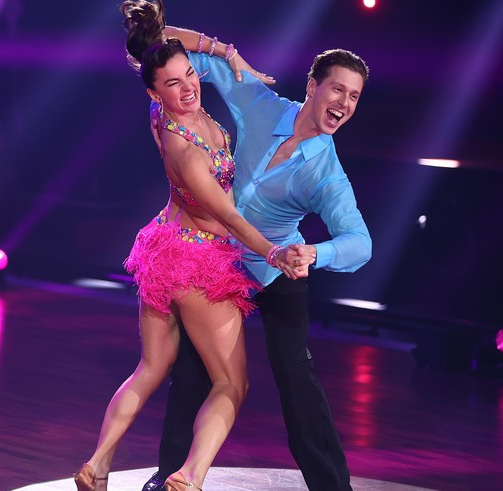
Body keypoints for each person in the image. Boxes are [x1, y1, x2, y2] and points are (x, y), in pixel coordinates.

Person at [73, 2, 314, 490]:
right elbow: (225, 217)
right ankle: (190, 475)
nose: (188, 88)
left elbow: (159, 41)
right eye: (173, 84)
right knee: (232, 383)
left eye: (189, 76)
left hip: (164, 245)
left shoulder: (166, 109)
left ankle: (97, 465)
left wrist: (226, 53)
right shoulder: (184, 149)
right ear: (153, 92)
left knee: (151, 367)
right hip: (197, 263)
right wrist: (272, 253)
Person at [141, 25, 372, 491]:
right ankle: (169, 479)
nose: (344, 103)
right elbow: (166, 49)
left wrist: (314, 252)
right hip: (219, 262)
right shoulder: (259, 103)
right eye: (337, 89)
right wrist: (225, 52)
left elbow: (359, 242)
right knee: (191, 373)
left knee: (296, 380)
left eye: (354, 96)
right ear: (312, 86)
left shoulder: (326, 173)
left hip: (276, 269)